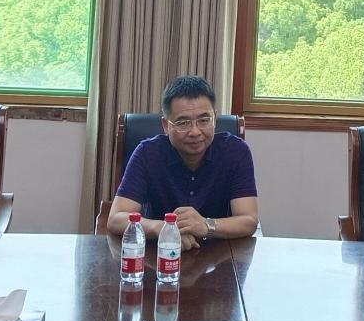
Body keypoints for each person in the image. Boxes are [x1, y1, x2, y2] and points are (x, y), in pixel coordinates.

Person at [107, 75, 259, 250]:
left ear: (215, 119)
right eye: (183, 123)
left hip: (220, 253)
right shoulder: (147, 153)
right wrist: (163, 228)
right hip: (160, 253)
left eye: (204, 120)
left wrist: (206, 225)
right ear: (166, 125)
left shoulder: (235, 151)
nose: (195, 132)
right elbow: (115, 219)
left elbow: (249, 220)